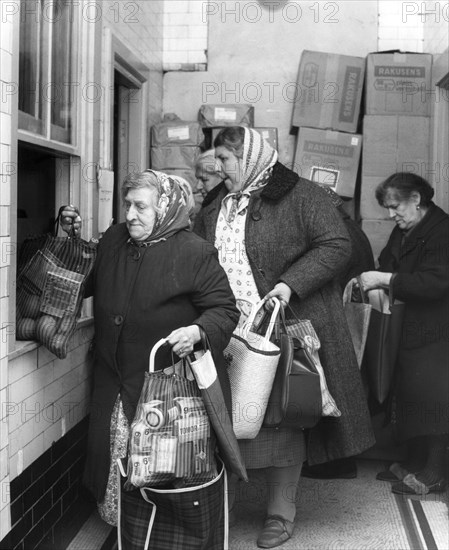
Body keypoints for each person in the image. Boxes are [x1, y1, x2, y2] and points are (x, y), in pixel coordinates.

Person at [193, 126, 374, 549]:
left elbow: (335, 245)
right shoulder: (217, 202)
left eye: (226, 160)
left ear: (252, 156)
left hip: (281, 326)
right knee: (226, 420)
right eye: (216, 160)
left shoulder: (302, 195)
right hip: (227, 329)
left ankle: (280, 513)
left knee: (282, 422)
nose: (219, 169)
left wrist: (290, 284)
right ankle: (227, 504)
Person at [61, 169, 239, 526]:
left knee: (163, 468)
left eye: (140, 207)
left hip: (165, 388)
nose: (129, 215)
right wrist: (70, 240)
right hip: (115, 381)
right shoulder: (114, 240)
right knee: (115, 464)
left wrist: (196, 331)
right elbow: (86, 280)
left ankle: (160, 531)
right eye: (128, 205)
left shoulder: (194, 252)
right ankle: (127, 533)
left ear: (165, 208)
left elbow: (225, 309)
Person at [357, 172, 448, 496]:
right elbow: (387, 261)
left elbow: (437, 282)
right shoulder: (405, 229)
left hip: (437, 330)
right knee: (410, 396)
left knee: (433, 402)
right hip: (410, 328)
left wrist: (386, 280)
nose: (391, 214)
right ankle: (414, 462)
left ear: (416, 200)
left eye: (395, 207)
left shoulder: (442, 232)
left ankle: (435, 472)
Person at [301, 186, 376, 480]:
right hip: (346, 320)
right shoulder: (350, 228)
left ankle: (335, 462)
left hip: (340, 323)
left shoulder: (341, 234)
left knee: (334, 393)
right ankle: (334, 460)